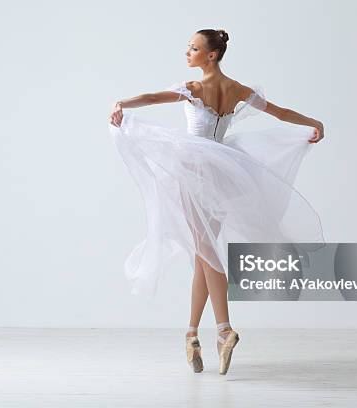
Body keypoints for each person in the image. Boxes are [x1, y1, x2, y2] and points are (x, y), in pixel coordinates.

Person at [108, 28, 325, 375]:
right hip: (225, 170)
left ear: (211, 55)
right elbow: (281, 112)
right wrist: (312, 123)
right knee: (202, 253)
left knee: (206, 251)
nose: (187, 52)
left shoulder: (194, 89)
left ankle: (224, 329)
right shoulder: (237, 89)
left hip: (194, 170)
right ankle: (192, 333)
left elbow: (151, 98)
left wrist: (122, 103)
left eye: (193, 48)